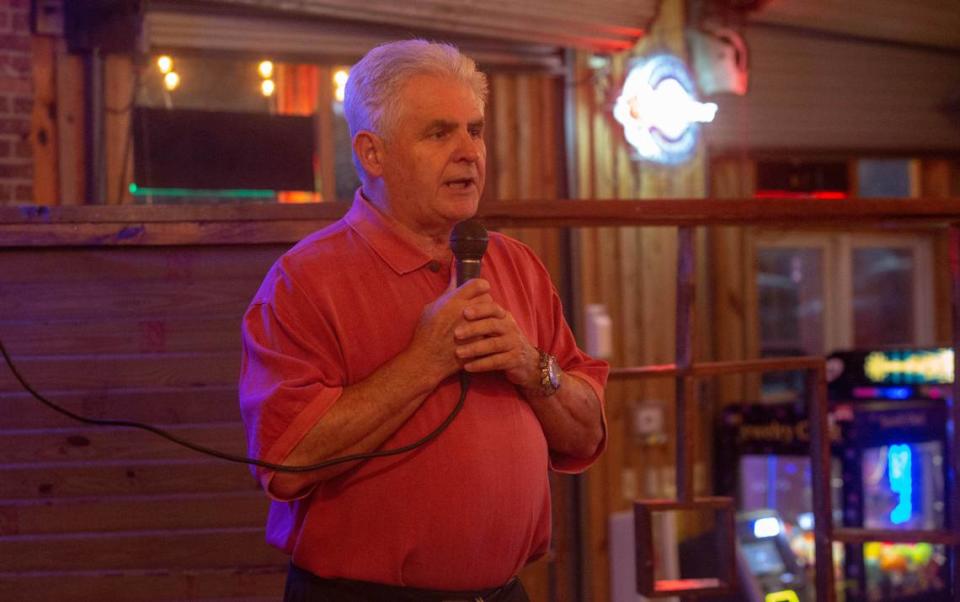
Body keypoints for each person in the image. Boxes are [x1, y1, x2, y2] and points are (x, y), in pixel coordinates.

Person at [239, 39, 608, 602]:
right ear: (372, 154)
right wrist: (425, 361)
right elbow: (284, 463)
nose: (469, 153)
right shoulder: (304, 281)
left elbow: (587, 435)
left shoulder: (517, 264)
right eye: (439, 133)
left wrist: (531, 366)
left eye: (475, 130)